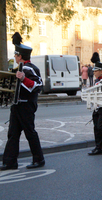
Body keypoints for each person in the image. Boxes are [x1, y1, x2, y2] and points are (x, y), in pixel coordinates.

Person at [1, 32, 45, 170]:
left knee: (30, 132)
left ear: (20, 56)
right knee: (13, 133)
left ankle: (39, 159)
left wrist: (23, 79)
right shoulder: (21, 68)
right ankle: (10, 162)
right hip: (18, 105)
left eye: (15, 54)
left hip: (26, 106)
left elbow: (39, 85)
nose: (14, 56)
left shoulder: (29, 68)